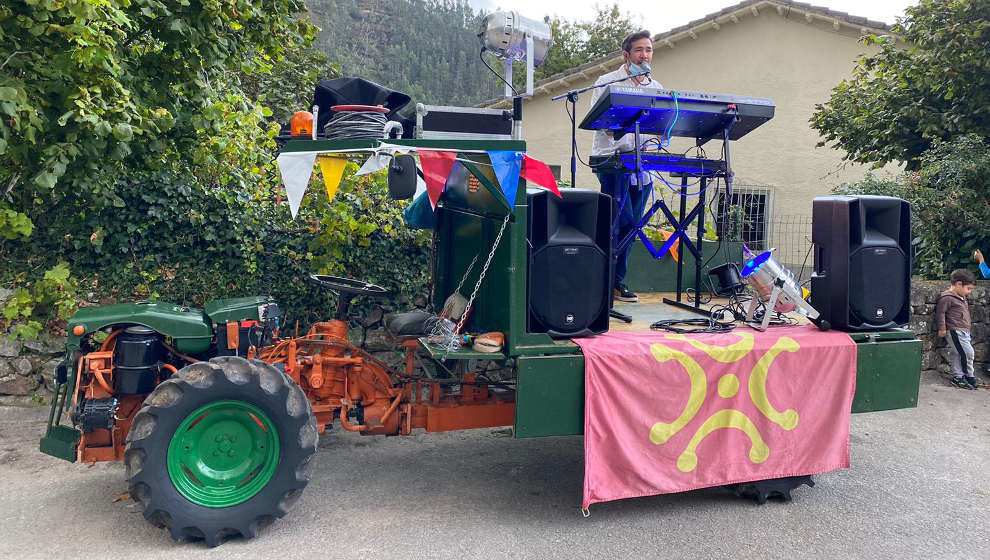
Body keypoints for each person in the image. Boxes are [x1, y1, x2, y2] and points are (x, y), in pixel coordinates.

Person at [590, 30, 659, 303]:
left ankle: (618, 282)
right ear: (626, 55)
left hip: (642, 166)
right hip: (612, 162)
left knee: (633, 226)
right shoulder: (607, 82)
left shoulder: (655, 87)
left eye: (649, 50)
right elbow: (601, 124)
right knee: (621, 221)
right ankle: (603, 281)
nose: (645, 55)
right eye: (640, 50)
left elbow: (660, 125)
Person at [935, 269, 977, 390]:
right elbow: (941, 313)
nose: (969, 292)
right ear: (959, 284)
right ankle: (969, 376)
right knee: (969, 354)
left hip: (963, 331)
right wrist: (942, 329)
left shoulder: (961, 296)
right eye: (968, 288)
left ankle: (958, 376)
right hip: (955, 331)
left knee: (958, 354)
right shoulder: (947, 298)